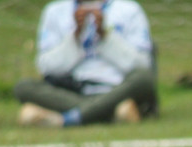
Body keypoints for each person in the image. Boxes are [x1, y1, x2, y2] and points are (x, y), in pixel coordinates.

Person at [14, 0, 157, 127]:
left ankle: (67, 119)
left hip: (116, 89)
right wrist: (75, 37)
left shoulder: (130, 9)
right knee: (23, 87)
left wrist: (105, 36)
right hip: (72, 92)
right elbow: (47, 67)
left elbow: (143, 64)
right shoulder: (55, 11)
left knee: (143, 78)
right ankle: (111, 114)